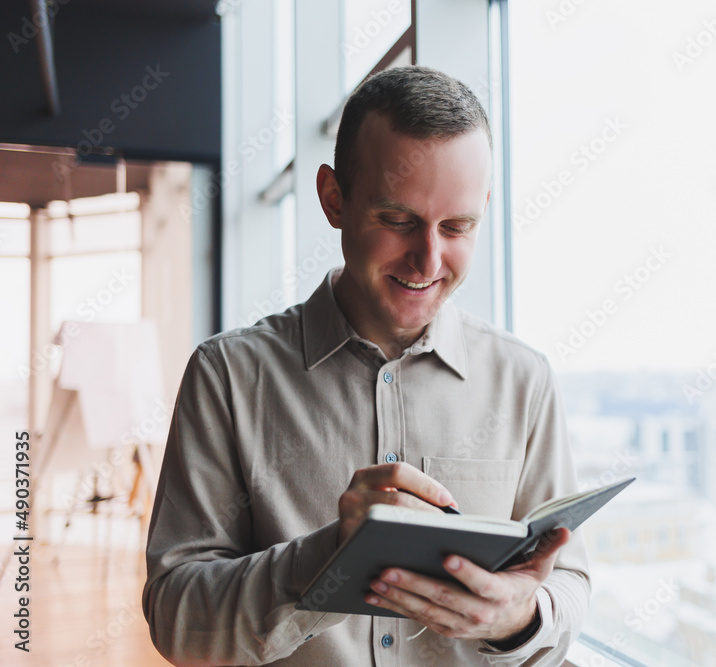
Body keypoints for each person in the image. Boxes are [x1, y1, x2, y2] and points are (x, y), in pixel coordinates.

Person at [142, 65, 589, 666]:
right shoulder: (226, 377)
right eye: (398, 220)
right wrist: (328, 560)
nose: (428, 259)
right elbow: (176, 619)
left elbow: (570, 581)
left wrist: (519, 618)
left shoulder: (524, 381)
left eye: (457, 227)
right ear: (333, 199)